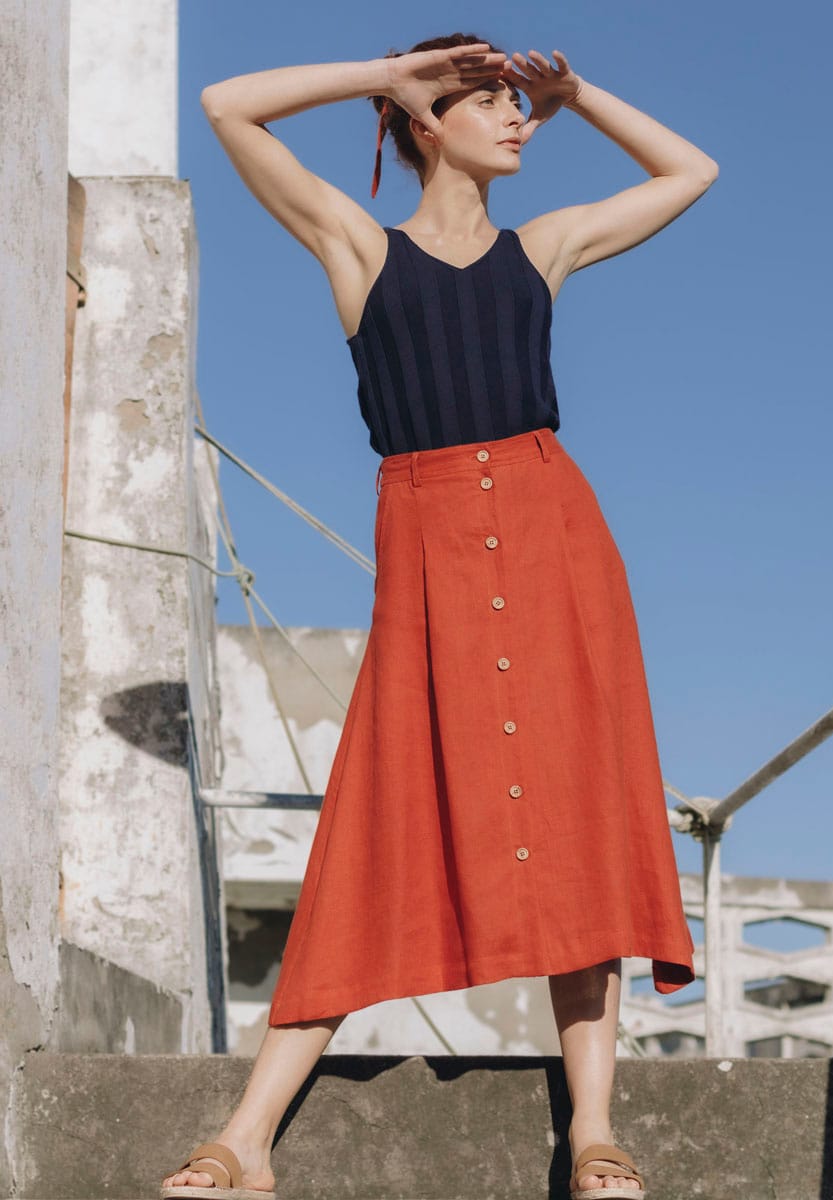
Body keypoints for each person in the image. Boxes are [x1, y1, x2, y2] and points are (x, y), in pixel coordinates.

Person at [161, 32, 718, 1200]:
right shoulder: (360, 248)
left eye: (521, 103)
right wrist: (382, 76)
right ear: (428, 121)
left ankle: (595, 1132)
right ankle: (248, 1138)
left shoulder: (542, 250)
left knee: (579, 818)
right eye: (491, 100)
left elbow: (691, 171)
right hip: (431, 560)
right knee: (382, 814)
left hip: (558, 547)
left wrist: (579, 95)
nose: (518, 120)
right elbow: (226, 104)